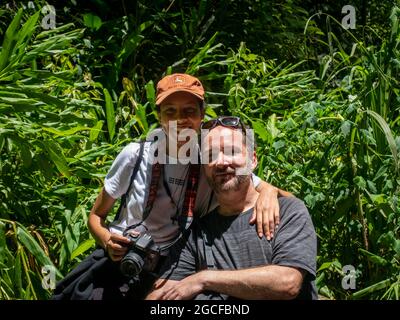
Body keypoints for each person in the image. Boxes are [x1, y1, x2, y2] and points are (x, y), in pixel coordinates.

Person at [53, 74, 291, 300]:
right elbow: (96, 216)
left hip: (170, 270)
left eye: (189, 111)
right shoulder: (136, 156)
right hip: (118, 263)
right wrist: (106, 239)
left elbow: (262, 186)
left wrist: (268, 193)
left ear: (201, 116)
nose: (180, 119)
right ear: (160, 117)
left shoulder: (208, 162)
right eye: (170, 112)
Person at [146, 118, 317, 300]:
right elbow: (157, 296)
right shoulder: (198, 234)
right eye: (210, 155)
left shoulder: (288, 212)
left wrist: (204, 279)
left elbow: (287, 282)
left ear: (253, 160)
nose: (220, 162)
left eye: (231, 152)